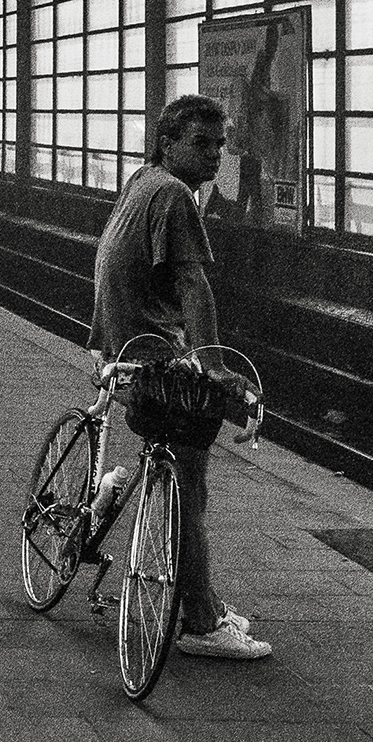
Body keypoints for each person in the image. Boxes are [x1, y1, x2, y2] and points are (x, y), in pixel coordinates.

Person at [86, 93, 271, 661]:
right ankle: (201, 623)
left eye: (219, 144)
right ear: (167, 144)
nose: (215, 154)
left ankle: (119, 495)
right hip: (153, 365)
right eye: (201, 143)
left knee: (186, 477)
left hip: (117, 353)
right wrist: (213, 366)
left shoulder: (143, 180)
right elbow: (194, 284)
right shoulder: (174, 195)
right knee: (190, 487)